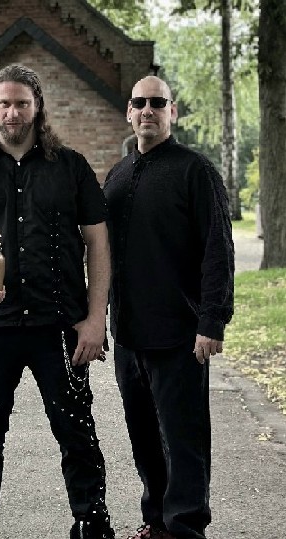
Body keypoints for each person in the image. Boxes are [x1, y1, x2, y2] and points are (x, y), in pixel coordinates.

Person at [0, 64, 115, 539]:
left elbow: (98, 244)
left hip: (59, 324)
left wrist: (95, 319)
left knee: (77, 432)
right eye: (4, 103)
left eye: (21, 103)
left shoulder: (71, 166)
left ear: (37, 106)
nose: (12, 112)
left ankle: (92, 525)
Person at [103, 75, 234, 539]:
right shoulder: (117, 175)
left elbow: (218, 248)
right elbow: (101, 255)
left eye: (158, 103)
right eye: (139, 102)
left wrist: (212, 320)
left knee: (183, 441)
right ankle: (157, 523)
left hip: (179, 334)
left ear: (172, 112)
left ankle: (186, 528)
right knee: (143, 439)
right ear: (129, 111)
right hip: (129, 334)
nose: (148, 110)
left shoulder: (195, 171)